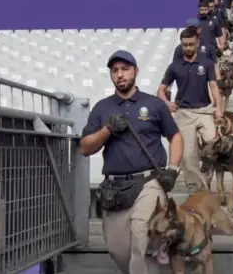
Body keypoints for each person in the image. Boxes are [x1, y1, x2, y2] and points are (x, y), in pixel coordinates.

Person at [80, 50, 183, 274]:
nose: (120, 75)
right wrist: (107, 130)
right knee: (119, 251)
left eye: (125, 69)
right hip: (115, 188)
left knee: (140, 235)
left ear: (136, 71)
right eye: (115, 70)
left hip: (149, 182)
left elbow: (175, 136)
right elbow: (85, 148)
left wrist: (173, 170)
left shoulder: (154, 104)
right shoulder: (102, 107)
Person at [157, 28, 224, 193]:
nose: (188, 48)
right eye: (185, 45)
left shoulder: (206, 63)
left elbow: (214, 87)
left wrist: (219, 109)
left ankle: (207, 178)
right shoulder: (174, 66)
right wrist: (167, 103)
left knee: (213, 146)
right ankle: (196, 191)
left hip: (205, 111)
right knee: (187, 157)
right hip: (184, 113)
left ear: (197, 43)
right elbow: (161, 90)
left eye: (191, 44)